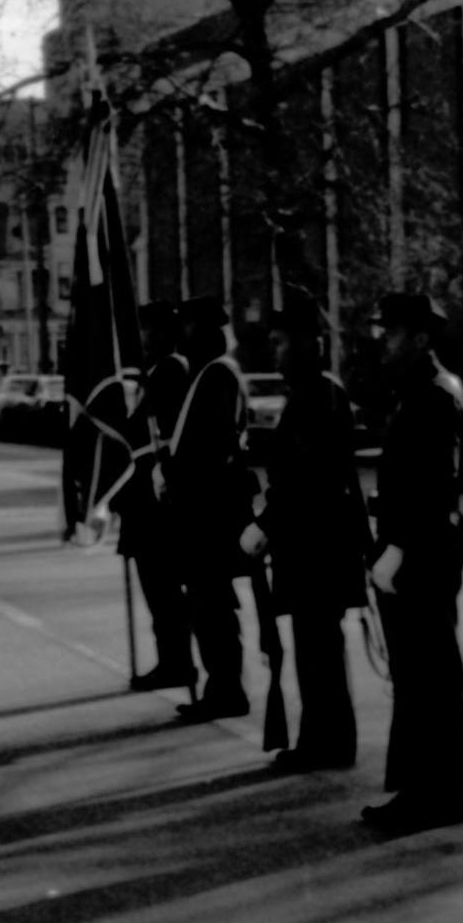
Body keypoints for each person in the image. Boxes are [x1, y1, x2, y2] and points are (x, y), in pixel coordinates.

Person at [241, 289, 367, 773]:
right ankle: (321, 738)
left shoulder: (321, 397)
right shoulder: (311, 395)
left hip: (319, 549)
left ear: (309, 343)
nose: (275, 351)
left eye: (281, 342)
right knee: (313, 651)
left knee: (320, 653)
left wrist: (265, 526)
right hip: (309, 548)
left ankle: (328, 743)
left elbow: (305, 481)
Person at [361, 289, 463, 836]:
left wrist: (399, 545)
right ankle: (422, 789)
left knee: (430, 678)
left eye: (395, 331)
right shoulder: (415, 391)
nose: (384, 339)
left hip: (424, 554)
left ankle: (437, 793)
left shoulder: (434, 395)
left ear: (423, 338)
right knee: (415, 677)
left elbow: (436, 485)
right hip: (415, 550)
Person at [163, 296, 256, 724]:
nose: (182, 335)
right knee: (206, 605)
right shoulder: (207, 374)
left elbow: (214, 447)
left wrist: (181, 478)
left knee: (212, 607)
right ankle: (220, 687)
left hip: (210, 514)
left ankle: (225, 689)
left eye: (188, 326)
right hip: (203, 511)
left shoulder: (217, 374)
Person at [118, 299, 196, 695]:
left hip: (157, 502)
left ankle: (178, 661)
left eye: (148, 330)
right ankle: (171, 659)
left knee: (164, 588)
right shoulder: (154, 373)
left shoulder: (170, 371)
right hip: (144, 500)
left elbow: (154, 436)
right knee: (156, 588)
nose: (143, 338)